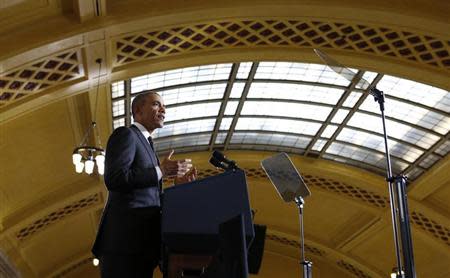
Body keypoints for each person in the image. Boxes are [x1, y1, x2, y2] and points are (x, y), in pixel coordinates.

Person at [92, 91, 197, 278]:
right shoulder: (126, 134)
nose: (163, 109)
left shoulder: (149, 146)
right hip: (123, 244)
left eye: (164, 106)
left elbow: (151, 200)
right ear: (138, 110)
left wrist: (178, 188)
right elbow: (115, 178)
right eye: (157, 104)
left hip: (143, 247)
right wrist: (161, 171)